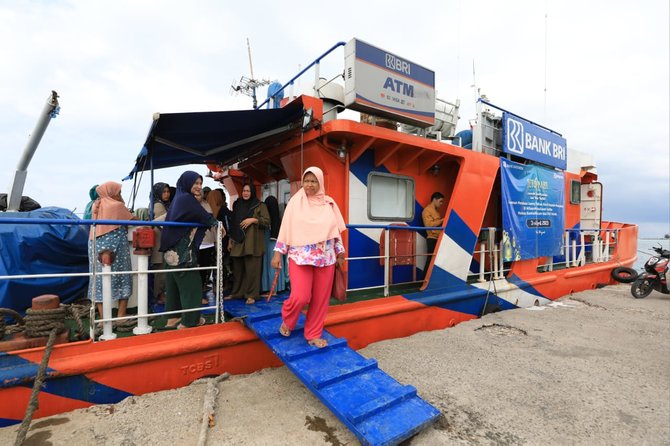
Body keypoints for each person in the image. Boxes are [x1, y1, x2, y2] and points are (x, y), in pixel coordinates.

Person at [271, 166, 346, 348]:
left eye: (314, 181)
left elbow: (335, 232)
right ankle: (288, 320)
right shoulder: (295, 203)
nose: (310, 185)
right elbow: (285, 229)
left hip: (326, 258)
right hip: (300, 256)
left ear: (319, 182)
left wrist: (340, 253)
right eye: (307, 181)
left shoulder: (328, 204)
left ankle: (312, 334)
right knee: (301, 296)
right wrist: (277, 254)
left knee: (320, 300)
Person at [160, 171, 218, 329]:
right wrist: (216, 224)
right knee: (192, 284)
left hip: (171, 251)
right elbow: (203, 215)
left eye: (200, 183)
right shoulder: (187, 199)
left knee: (173, 285)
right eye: (196, 183)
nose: (199, 187)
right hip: (182, 252)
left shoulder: (178, 198)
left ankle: (173, 317)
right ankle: (190, 321)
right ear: (187, 183)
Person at [89, 181, 135, 319]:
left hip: (95, 245)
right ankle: (121, 314)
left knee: (98, 279)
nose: (120, 195)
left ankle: (103, 318)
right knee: (123, 276)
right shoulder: (117, 206)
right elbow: (133, 219)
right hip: (117, 246)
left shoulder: (95, 205)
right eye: (118, 192)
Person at [228, 182, 270, 305]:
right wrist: (230, 240)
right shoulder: (237, 205)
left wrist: (254, 220)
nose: (246, 193)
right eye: (244, 191)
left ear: (252, 192)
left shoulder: (260, 205)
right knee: (238, 270)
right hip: (238, 242)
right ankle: (237, 293)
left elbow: (267, 222)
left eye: (248, 191)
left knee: (252, 271)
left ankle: (251, 295)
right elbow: (233, 223)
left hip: (253, 243)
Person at [262, 195, 288, 293]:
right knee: (276, 266)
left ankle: (272, 289)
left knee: (269, 266)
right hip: (277, 244)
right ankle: (277, 287)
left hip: (269, 243)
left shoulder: (267, 220)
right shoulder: (279, 219)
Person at [422, 191, 445, 274]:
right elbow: (429, 225)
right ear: (434, 199)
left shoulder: (436, 212)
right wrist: (443, 220)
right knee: (430, 261)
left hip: (438, 238)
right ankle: (424, 280)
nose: (441, 204)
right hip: (432, 239)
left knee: (435, 261)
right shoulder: (427, 211)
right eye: (440, 201)